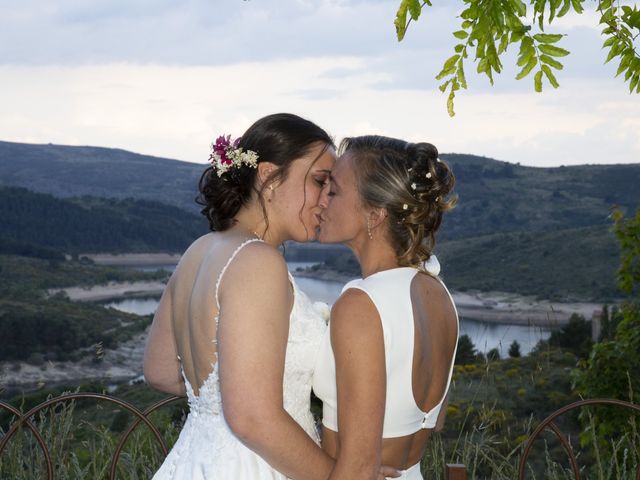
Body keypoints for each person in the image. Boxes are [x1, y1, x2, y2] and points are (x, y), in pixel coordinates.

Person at [143, 113, 338, 479]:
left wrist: (216, 402)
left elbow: (160, 371)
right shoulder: (258, 262)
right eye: (319, 181)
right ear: (268, 176)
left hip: (196, 459)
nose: (327, 199)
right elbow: (251, 417)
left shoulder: (199, 251)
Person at [313, 135, 459, 480]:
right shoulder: (438, 294)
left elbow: (360, 467)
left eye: (333, 192)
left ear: (375, 215)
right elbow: (434, 421)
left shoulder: (362, 305)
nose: (321, 201)